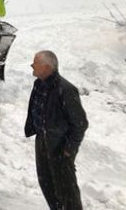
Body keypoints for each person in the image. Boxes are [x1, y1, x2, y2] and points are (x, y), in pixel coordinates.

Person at [25, 51, 88, 210]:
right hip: (42, 141)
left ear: (46, 67)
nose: (32, 65)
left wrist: (68, 150)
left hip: (59, 146)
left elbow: (80, 124)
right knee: (46, 183)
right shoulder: (39, 84)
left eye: (35, 63)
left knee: (66, 191)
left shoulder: (65, 89)